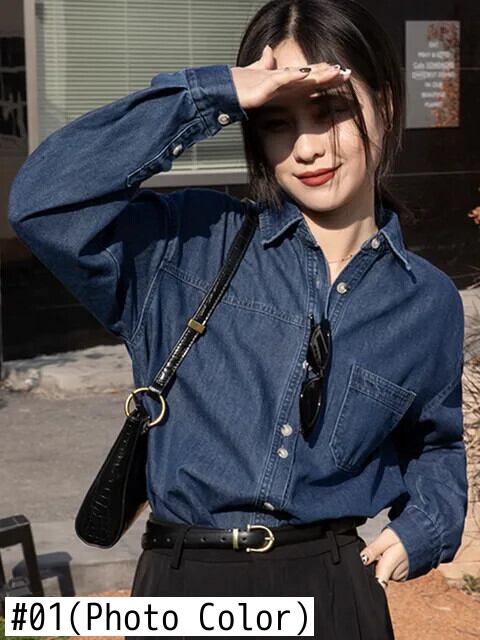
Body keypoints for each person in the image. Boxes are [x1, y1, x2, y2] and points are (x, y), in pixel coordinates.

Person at [8, 0, 467, 638]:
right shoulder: (185, 245)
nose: (308, 147)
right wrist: (214, 93)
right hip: (186, 590)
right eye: (277, 122)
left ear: (385, 104)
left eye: (330, 111)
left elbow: (435, 442)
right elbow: (43, 203)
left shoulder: (427, 301)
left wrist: (427, 526)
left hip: (335, 591)